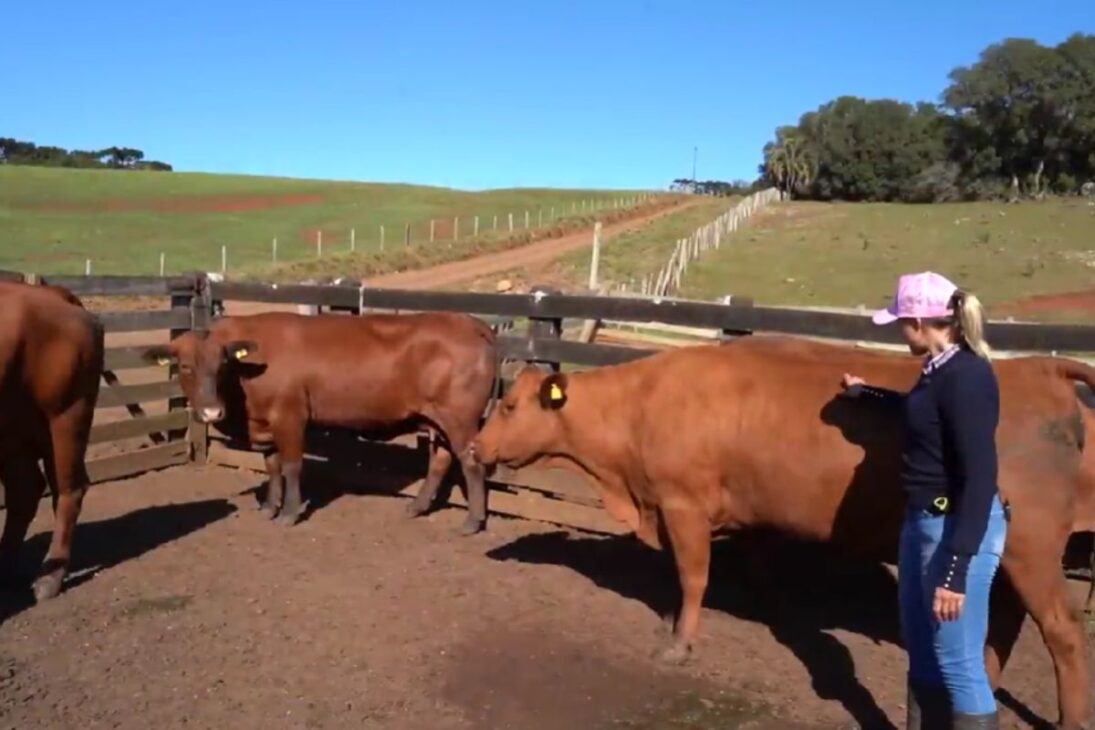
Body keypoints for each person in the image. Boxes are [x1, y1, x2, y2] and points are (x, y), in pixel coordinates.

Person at [840, 271, 1007, 730]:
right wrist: (866, 393)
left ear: (918, 320)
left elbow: (979, 478)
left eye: (899, 321)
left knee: (958, 660)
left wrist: (954, 571)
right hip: (925, 522)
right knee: (924, 651)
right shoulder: (939, 371)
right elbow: (920, 413)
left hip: (958, 531)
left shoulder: (968, 376)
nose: (898, 329)